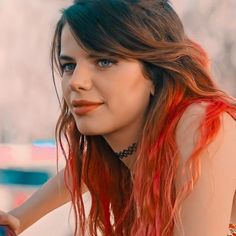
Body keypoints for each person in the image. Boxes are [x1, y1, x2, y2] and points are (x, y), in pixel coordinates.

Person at [0, 0, 236, 235]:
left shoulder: (202, 124)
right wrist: (19, 218)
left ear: (155, 73)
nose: (76, 82)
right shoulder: (125, 148)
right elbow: (82, 170)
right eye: (69, 65)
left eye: (105, 61)